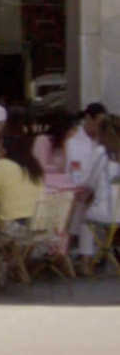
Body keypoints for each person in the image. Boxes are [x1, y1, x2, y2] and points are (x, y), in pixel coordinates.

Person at [0, 132, 46, 265]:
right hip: (38, 226)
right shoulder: (34, 167)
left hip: (13, 228)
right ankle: (14, 264)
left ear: (5, 150)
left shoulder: (2, 165)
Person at [74, 118, 120, 271]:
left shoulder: (101, 153)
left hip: (108, 211)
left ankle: (85, 259)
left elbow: (86, 179)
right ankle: (105, 253)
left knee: (83, 215)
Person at [66, 103, 109, 186]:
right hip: (79, 186)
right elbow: (74, 170)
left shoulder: (107, 140)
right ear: (88, 118)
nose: (101, 128)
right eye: (99, 124)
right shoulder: (74, 140)